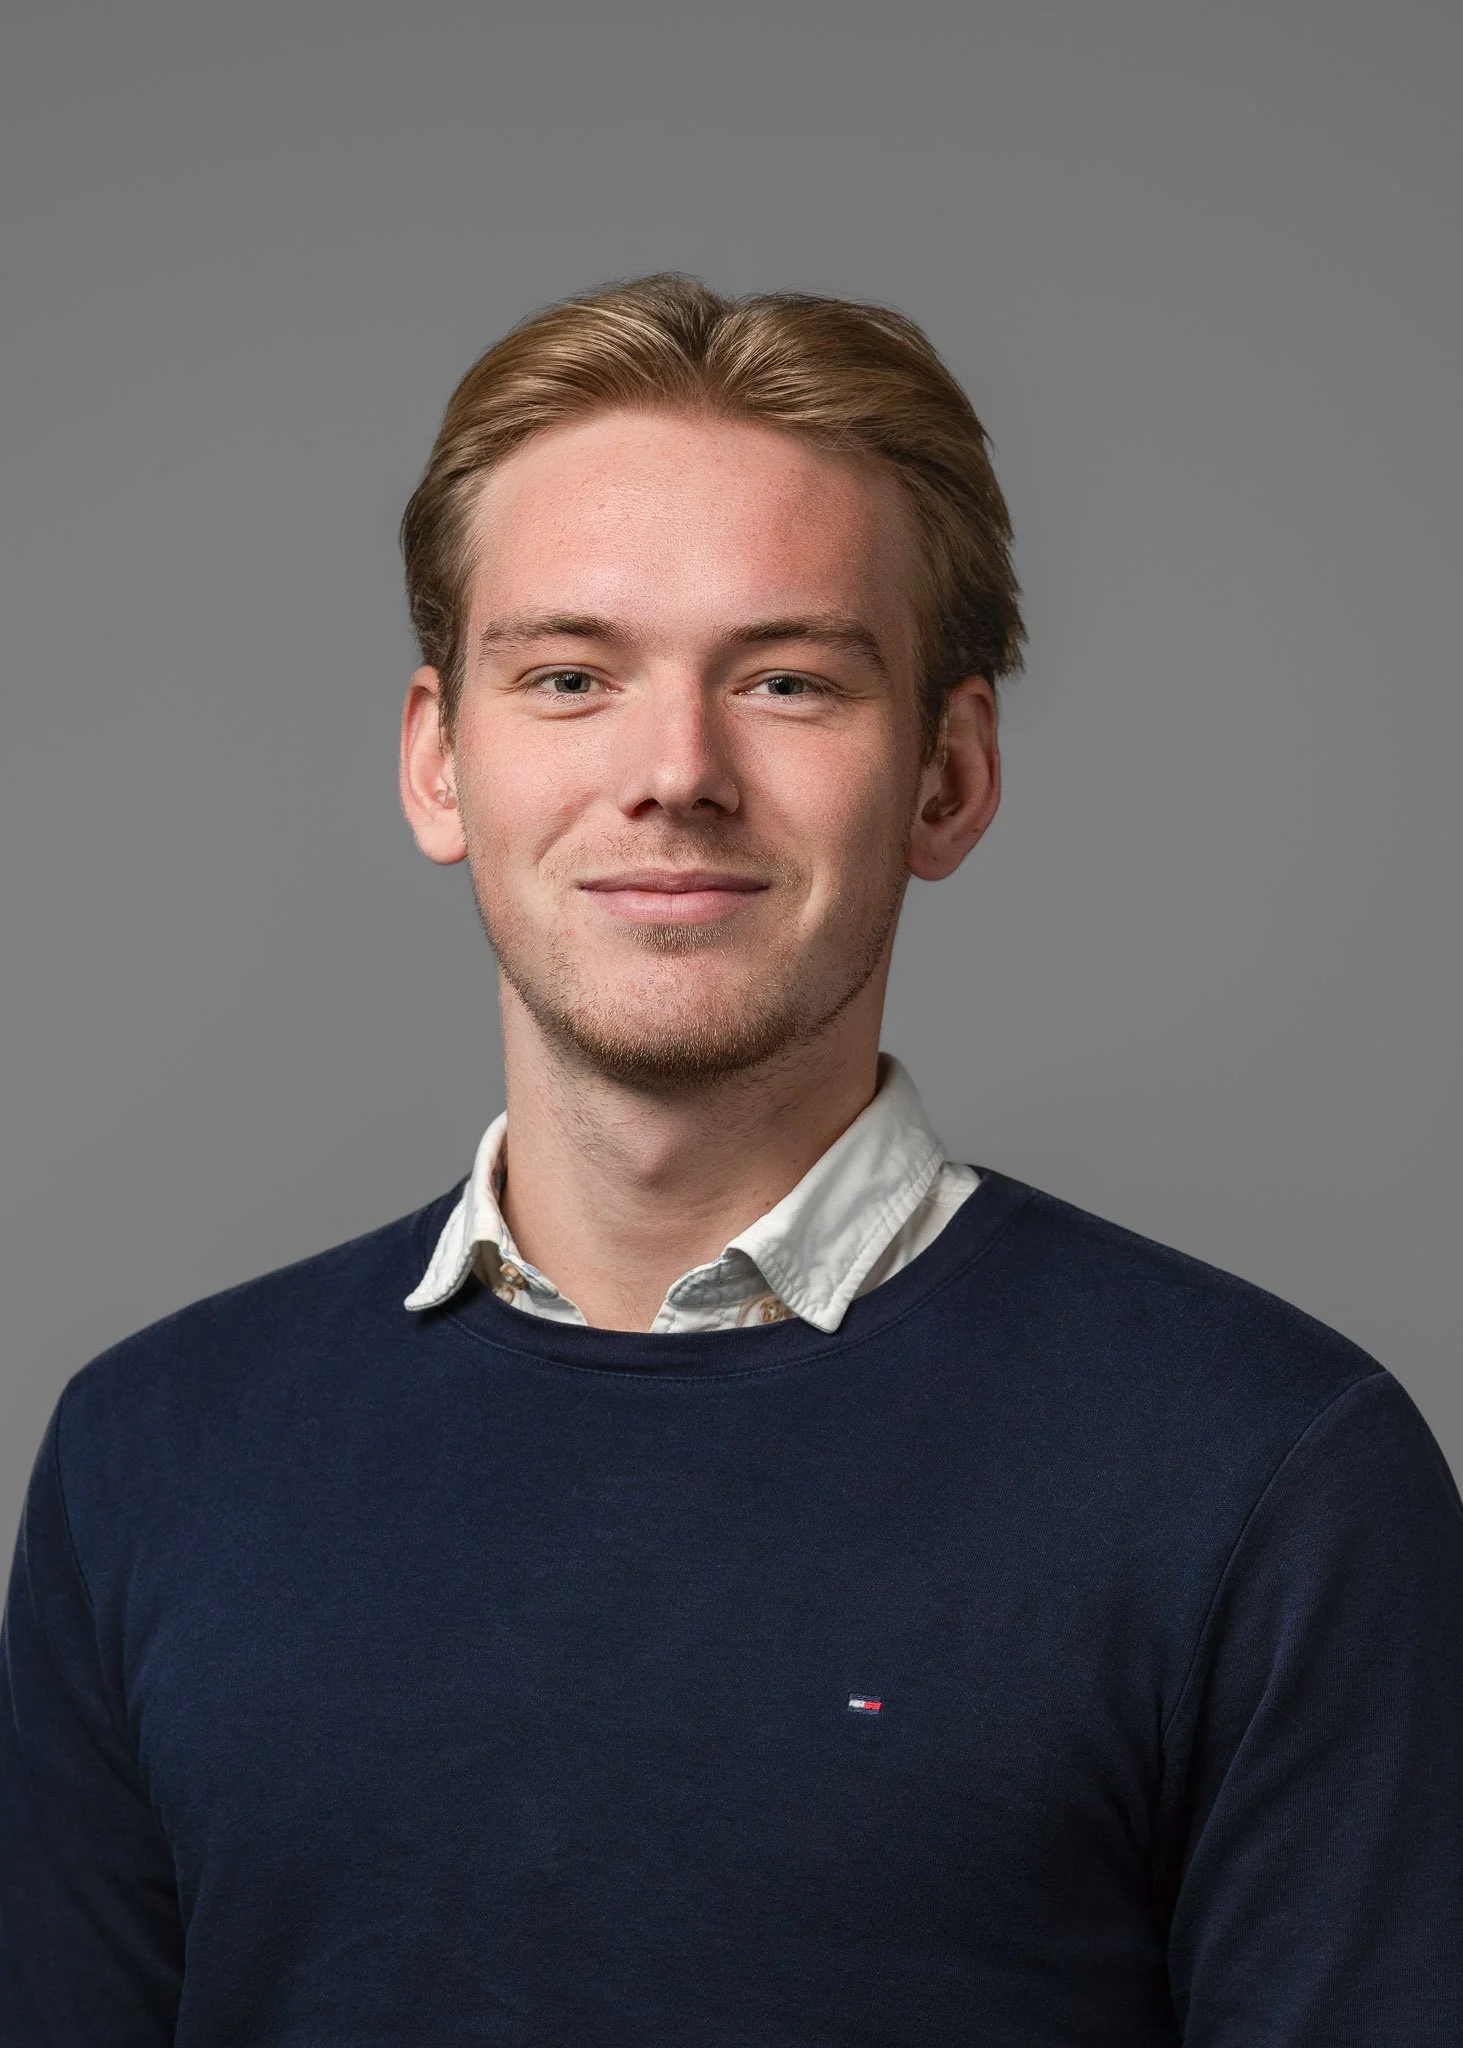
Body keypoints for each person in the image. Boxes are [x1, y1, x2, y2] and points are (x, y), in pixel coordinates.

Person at [2, 274, 1459, 2047]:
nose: (674, 772)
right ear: (438, 761)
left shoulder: (1270, 1476)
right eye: (568, 677)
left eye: (785, 681)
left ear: (946, 777)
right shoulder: (149, 1456)